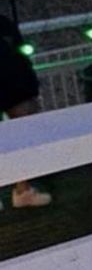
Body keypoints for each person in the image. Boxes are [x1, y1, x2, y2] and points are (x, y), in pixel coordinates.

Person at [1, 13, 52, 208]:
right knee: (22, 137)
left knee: (24, 137)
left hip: (14, 85)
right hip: (14, 84)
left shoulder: (4, 24)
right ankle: (23, 190)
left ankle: (23, 189)